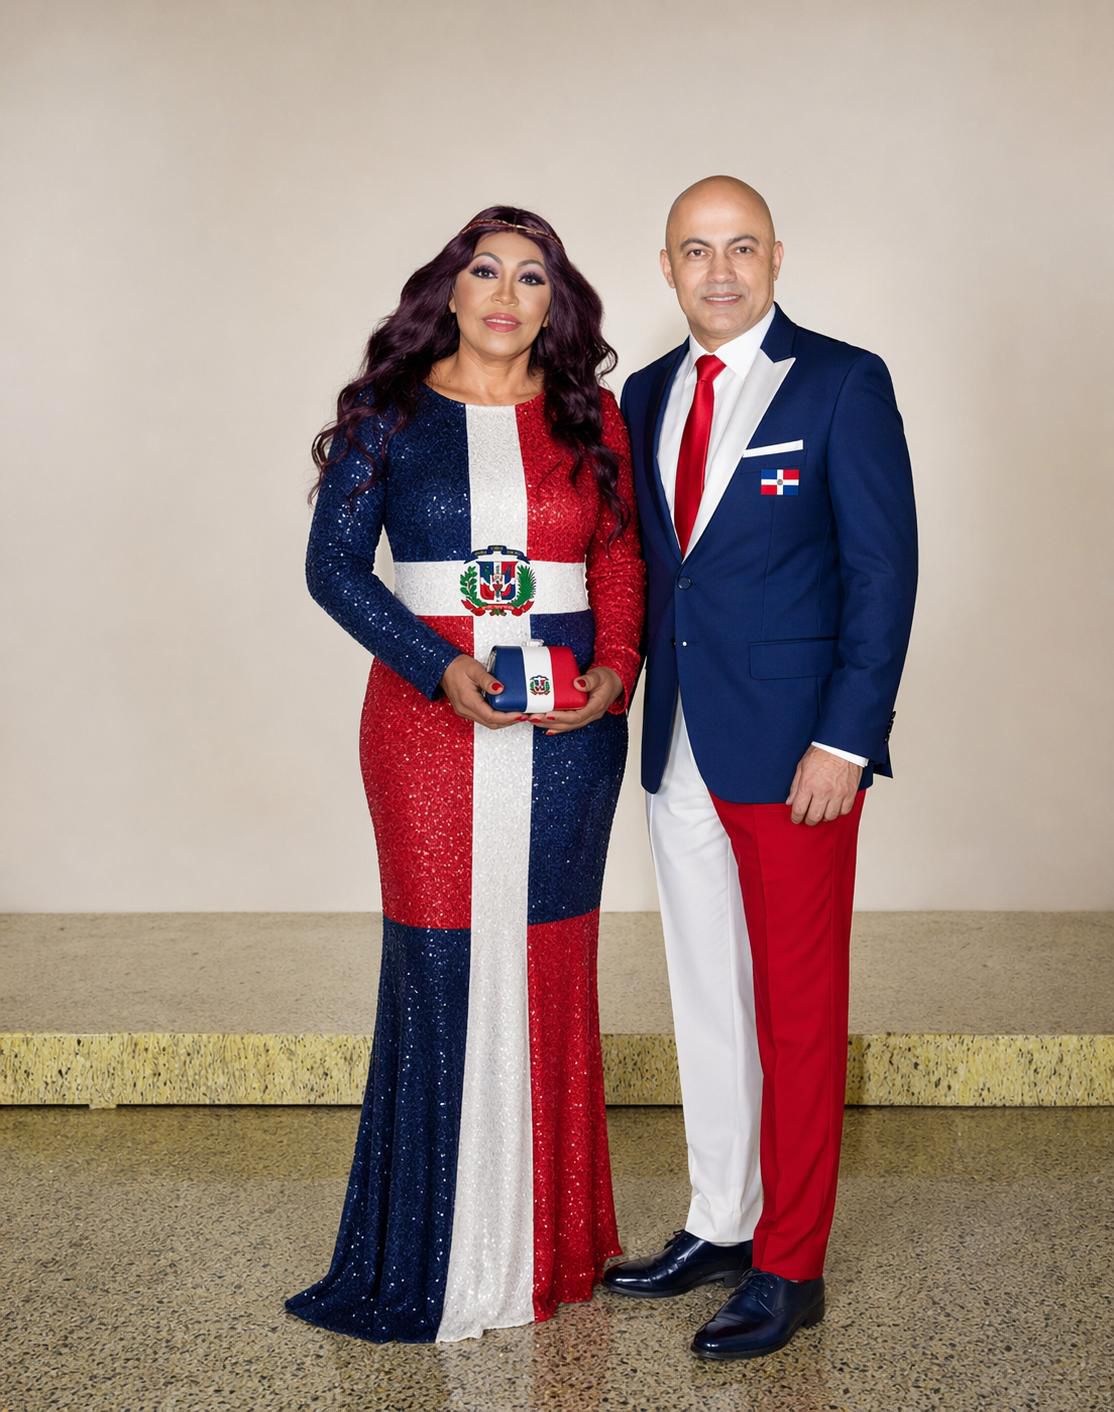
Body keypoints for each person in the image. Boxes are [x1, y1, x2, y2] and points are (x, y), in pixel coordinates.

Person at [285, 206, 645, 1344]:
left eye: (531, 277)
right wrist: (435, 665)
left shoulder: (592, 416)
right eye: (485, 270)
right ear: (448, 289)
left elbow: (619, 554)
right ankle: (427, 1249)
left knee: (549, 960)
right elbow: (334, 568)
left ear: (555, 303)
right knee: (439, 964)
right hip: (424, 730)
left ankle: (555, 1241)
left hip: (572, 735)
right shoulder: (386, 412)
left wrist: (617, 670)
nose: (505, 293)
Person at [604, 176, 917, 1360]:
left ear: (776, 257)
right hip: (678, 739)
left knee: (796, 1008)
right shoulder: (643, 393)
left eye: (740, 247)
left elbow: (882, 570)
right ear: (667, 268)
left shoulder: (842, 381)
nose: (720, 270)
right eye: (696, 250)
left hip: (796, 754)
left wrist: (846, 737)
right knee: (706, 994)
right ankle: (721, 1217)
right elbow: (654, 566)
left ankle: (790, 1262)